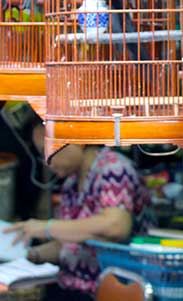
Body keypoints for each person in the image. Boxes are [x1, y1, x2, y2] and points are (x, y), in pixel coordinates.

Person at [5, 120, 155, 301]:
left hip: (110, 289)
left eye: (51, 151)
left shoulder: (114, 169)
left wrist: (46, 227)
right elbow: (68, 244)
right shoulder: (71, 183)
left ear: (78, 141)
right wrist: (29, 255)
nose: (46, 162)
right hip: (69, 286)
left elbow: (115, 226)